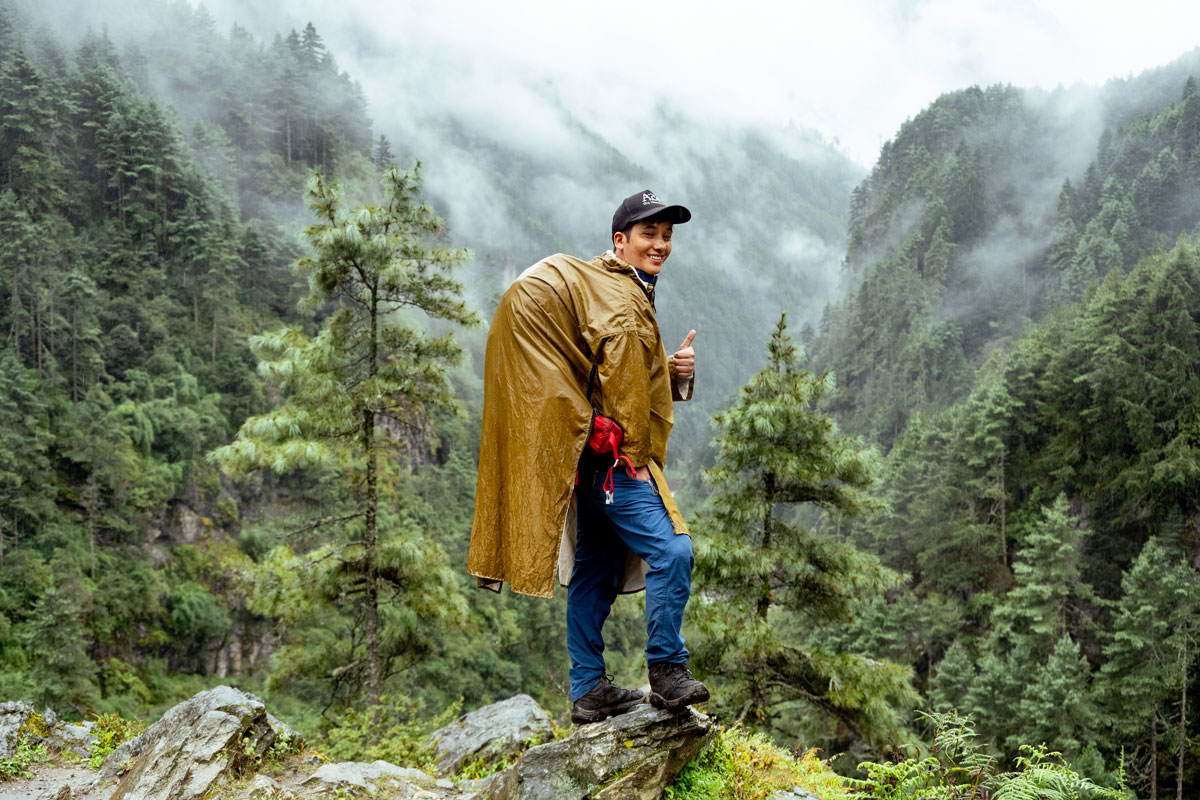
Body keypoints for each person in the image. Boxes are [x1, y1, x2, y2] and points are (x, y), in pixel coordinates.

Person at [468, 189, 710, 724]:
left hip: (586, 464)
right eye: (649, 234)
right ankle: (668, 672)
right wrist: (632, 451)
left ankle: (587, 690)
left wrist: (671, 374)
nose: (661, 245)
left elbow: (609, 369)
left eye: (667, 236)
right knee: (674, 551)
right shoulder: (623, 300)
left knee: (596, 570)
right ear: (620, 241)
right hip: (618, 465)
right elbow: (621, 384)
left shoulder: (615, 287)